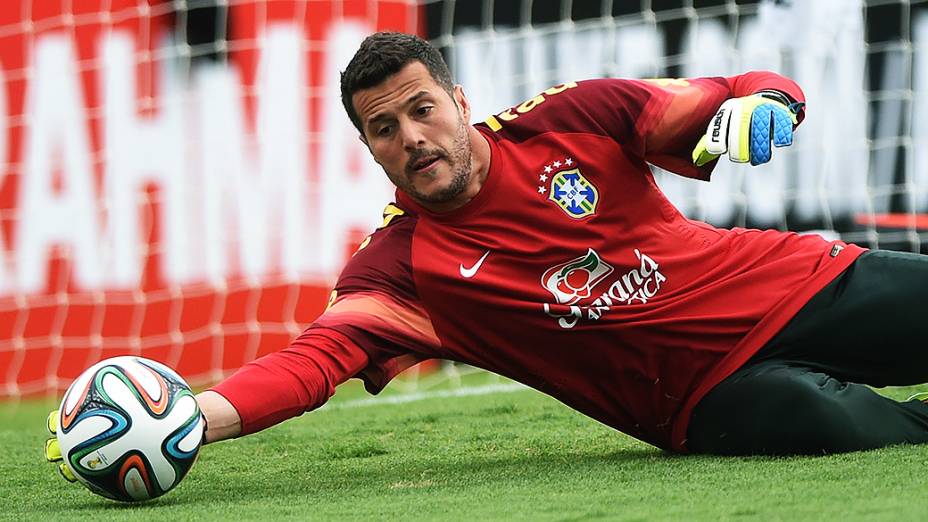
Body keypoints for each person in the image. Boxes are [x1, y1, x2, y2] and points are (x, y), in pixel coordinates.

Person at [48, 31, 928, 470]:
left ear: (458, 100)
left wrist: (770, 104)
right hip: (709, 401)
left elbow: (738, 89)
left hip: (803, 284)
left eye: (421, 109)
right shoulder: (401, 270)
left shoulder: (574, 117)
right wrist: (192, 418)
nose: (412, 137)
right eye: (384, 129)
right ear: (370, 149)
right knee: (868, 433)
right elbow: (310, 363)